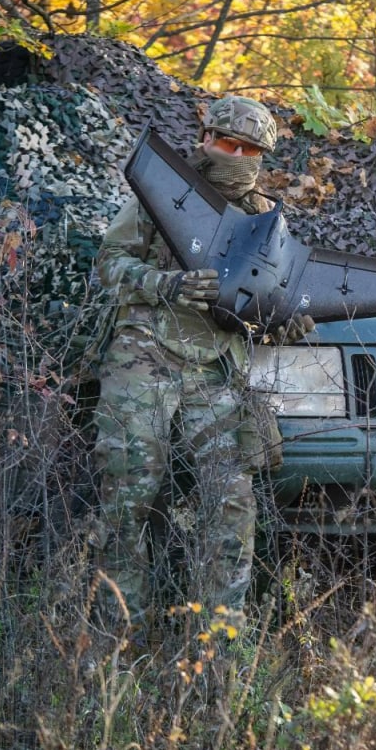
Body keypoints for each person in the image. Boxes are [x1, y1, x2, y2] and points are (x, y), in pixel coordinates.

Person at [91, 95, 310, 635]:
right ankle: (121, 638)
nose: (235, 155)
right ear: (205, 138)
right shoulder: (163, 195)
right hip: (144, 356)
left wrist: (289, 318)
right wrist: (167, 285)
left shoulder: (264, 217)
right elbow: (109, 263)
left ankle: (219, 646)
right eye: (225, 143)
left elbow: (280, 293)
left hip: (215, 370)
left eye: (249, 149)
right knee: (127, 498)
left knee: (231, 510)